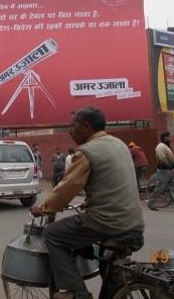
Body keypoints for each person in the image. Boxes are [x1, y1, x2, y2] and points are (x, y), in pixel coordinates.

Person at [30, 106, 144, 299]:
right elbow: (113, 182)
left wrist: (42, 208)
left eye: (72, 126)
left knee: (52, 234)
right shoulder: (119, 144)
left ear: (86, 126)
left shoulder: (86, 151)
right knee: (107, 264)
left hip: (109, 221)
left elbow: (65, 190)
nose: (69, 130)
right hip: (134, 221)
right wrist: (92, 201)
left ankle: (77, 292)